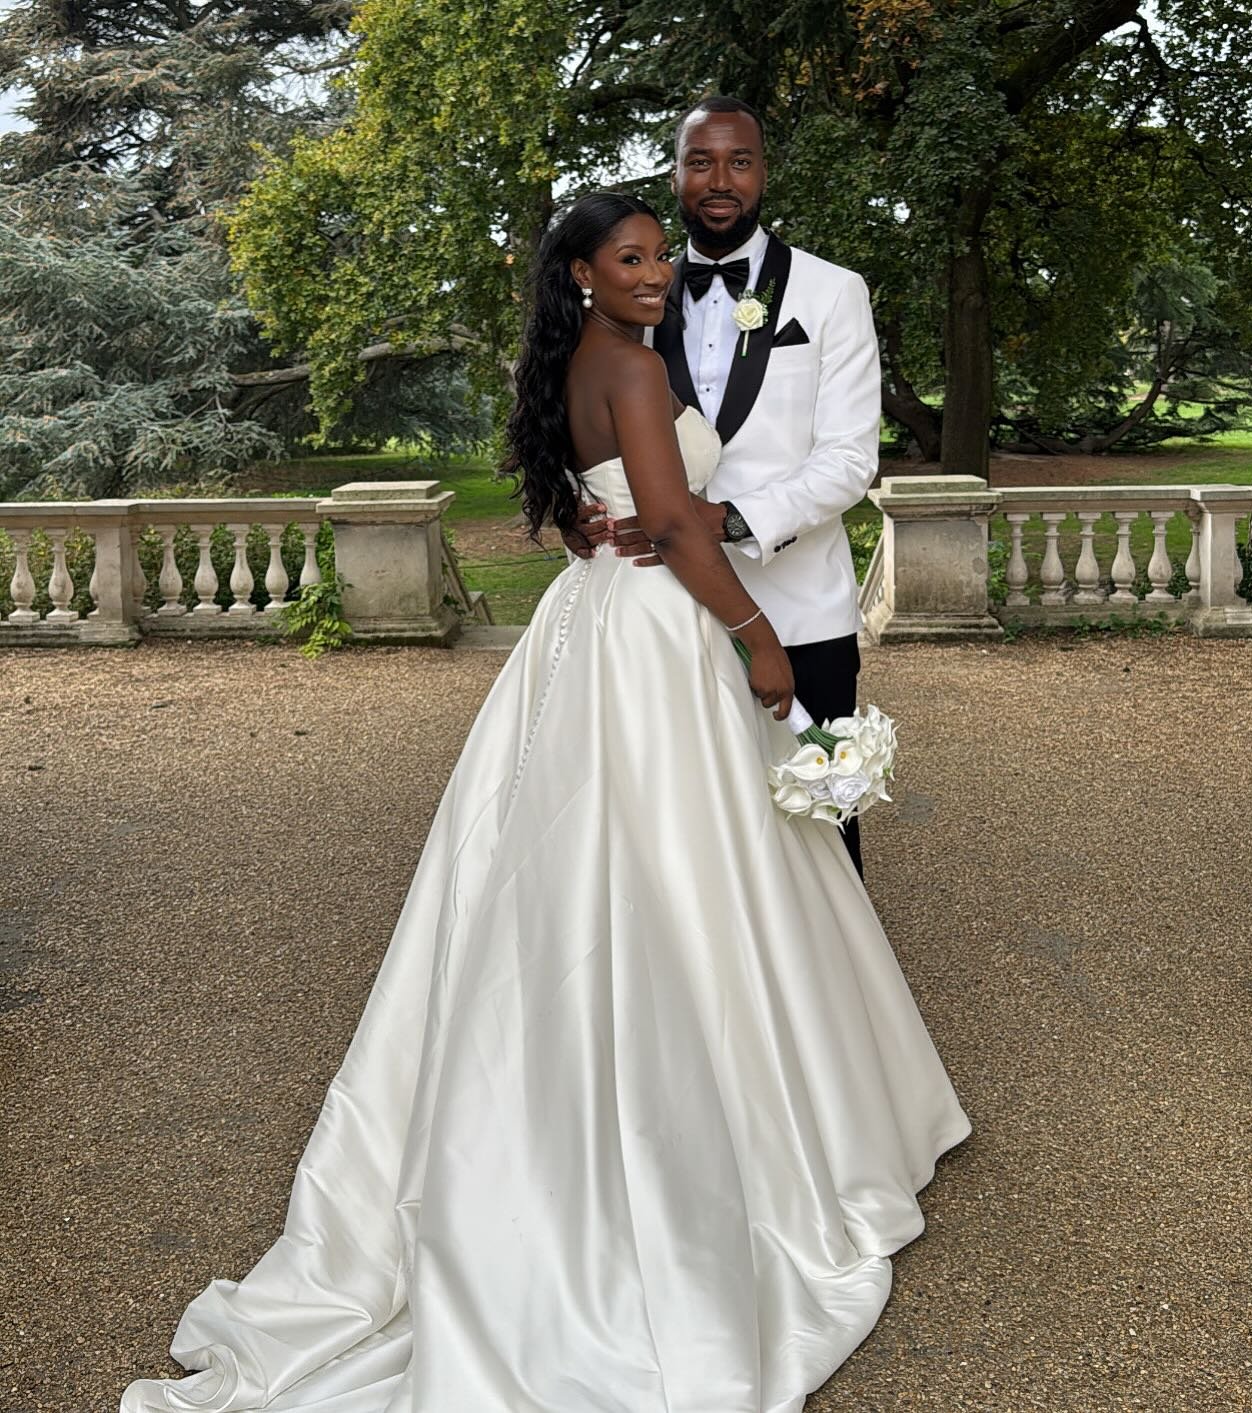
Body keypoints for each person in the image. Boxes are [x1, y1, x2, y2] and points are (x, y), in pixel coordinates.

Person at [121, 190, 970, 1413]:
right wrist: (760, 640)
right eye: (627, 258)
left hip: (592, 629)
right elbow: (675, 524)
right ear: (580, 272)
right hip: (662, 634)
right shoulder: (627, 363)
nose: (653, 272)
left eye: (657, 256)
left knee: (621, 851)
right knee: (685, 856)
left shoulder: (580, 363)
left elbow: (598, 501)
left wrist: (608, 520)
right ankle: (736, 1125)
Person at [567, 95, 881, 878]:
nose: (719, 179)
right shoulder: (635, 285)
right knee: (683, 823)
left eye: (738, 161)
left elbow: (850, 459)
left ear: (764, 173)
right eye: (699, 161)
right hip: (663, 614)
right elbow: (581, 408)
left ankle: (832, 994)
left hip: (797, 604)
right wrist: (574, 501)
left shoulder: (831, 292)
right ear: (675, 173)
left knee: (818, 819)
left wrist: (731, 519)